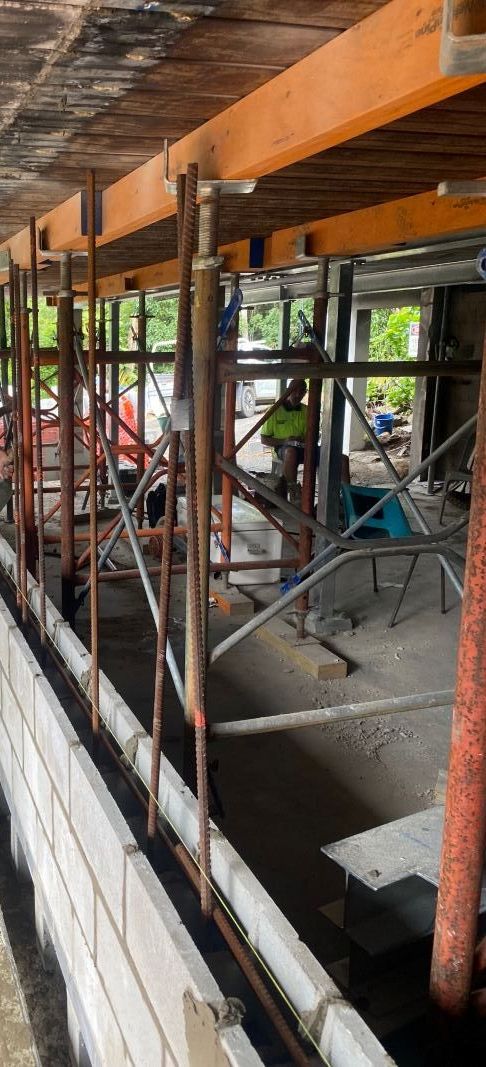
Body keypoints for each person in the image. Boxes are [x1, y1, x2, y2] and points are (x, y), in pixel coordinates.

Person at [261, 379, 310, 502]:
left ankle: (345, 496)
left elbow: (313, 436)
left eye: (302, 392)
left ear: (305, 393)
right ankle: (293, 490)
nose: (298, 395)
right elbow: (264, 439)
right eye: (295, 391)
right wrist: (285, 441)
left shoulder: (307, 411)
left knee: (341, 458)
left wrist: (303, 439)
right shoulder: (275, 410)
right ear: (288, 391)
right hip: (282, 448)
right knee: (291, 452)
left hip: (305, 448)